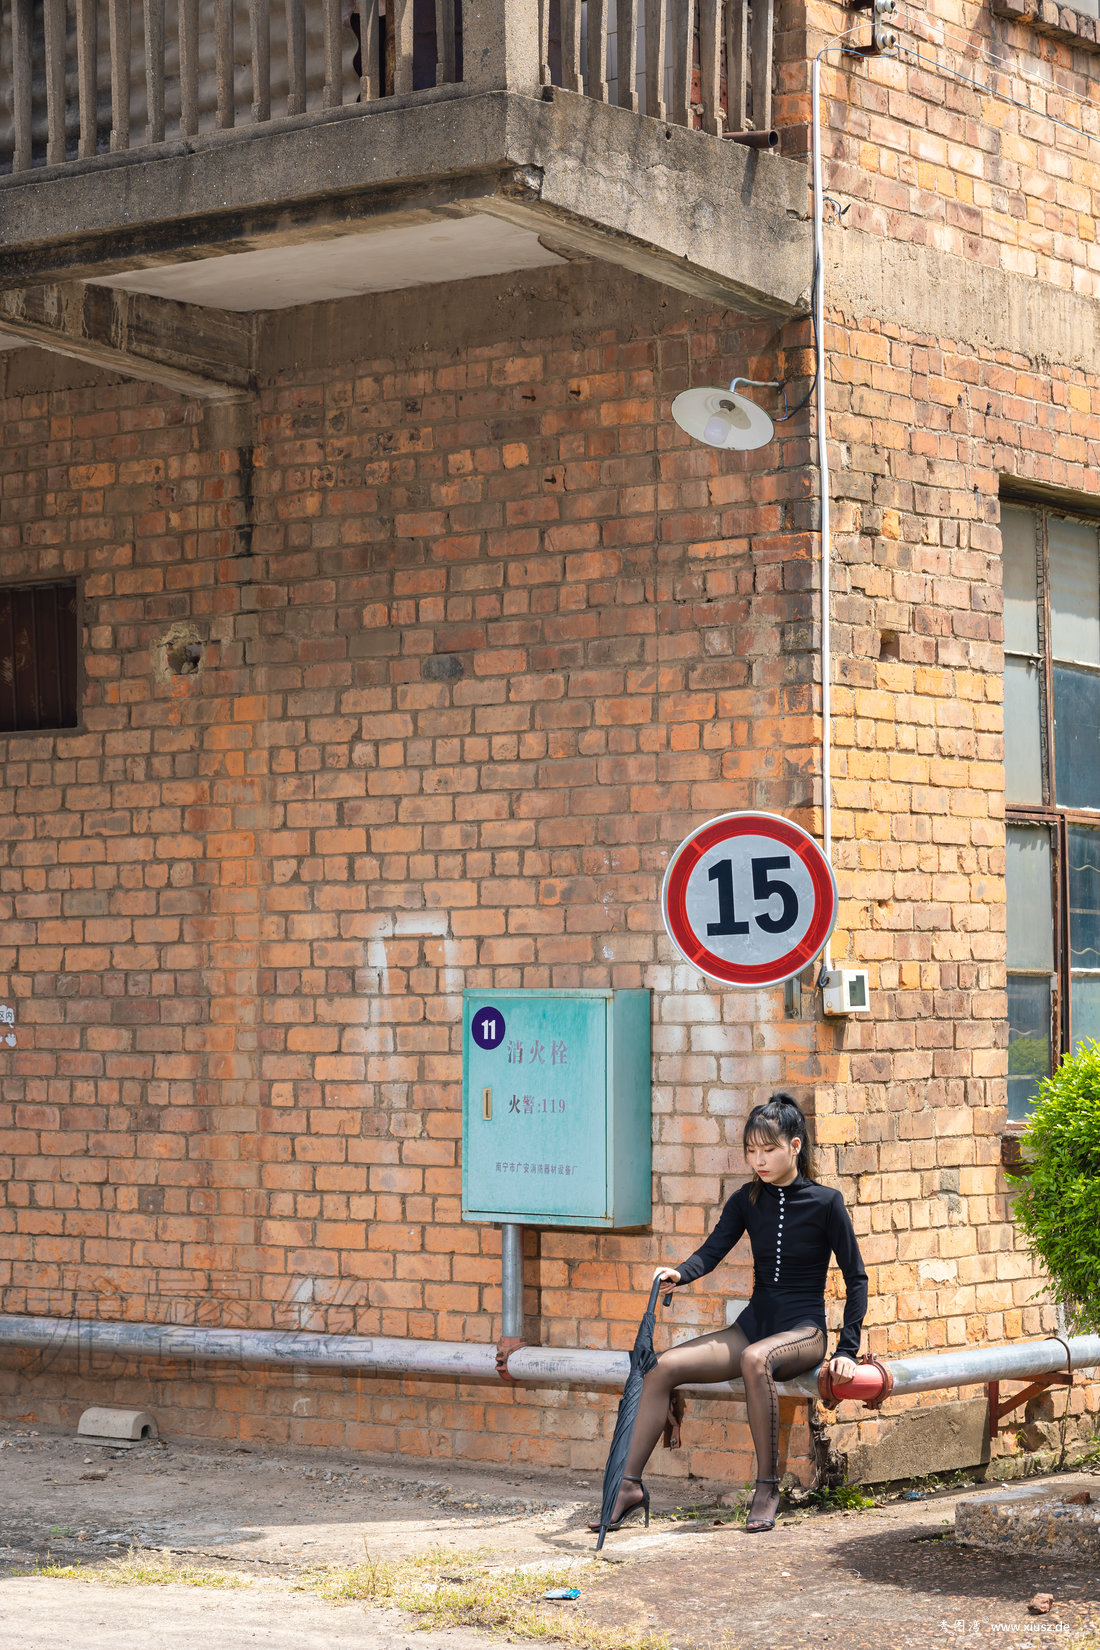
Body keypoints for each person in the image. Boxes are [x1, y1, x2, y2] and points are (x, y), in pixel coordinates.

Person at [589, 1092, 867, 1536]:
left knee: (755, 1359)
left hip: (804, 1331)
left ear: (795, 1146)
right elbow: (713, 1250)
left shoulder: (826, 1202)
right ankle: (629, 1486)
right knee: (660, 1369)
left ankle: (767, 1488)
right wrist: (680, 1273)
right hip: (753, 1326)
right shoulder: (746, 1200)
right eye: (751, 1151)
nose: (759, 1160)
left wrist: (847, 1350)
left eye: (769, 1149)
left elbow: (857, 1278)